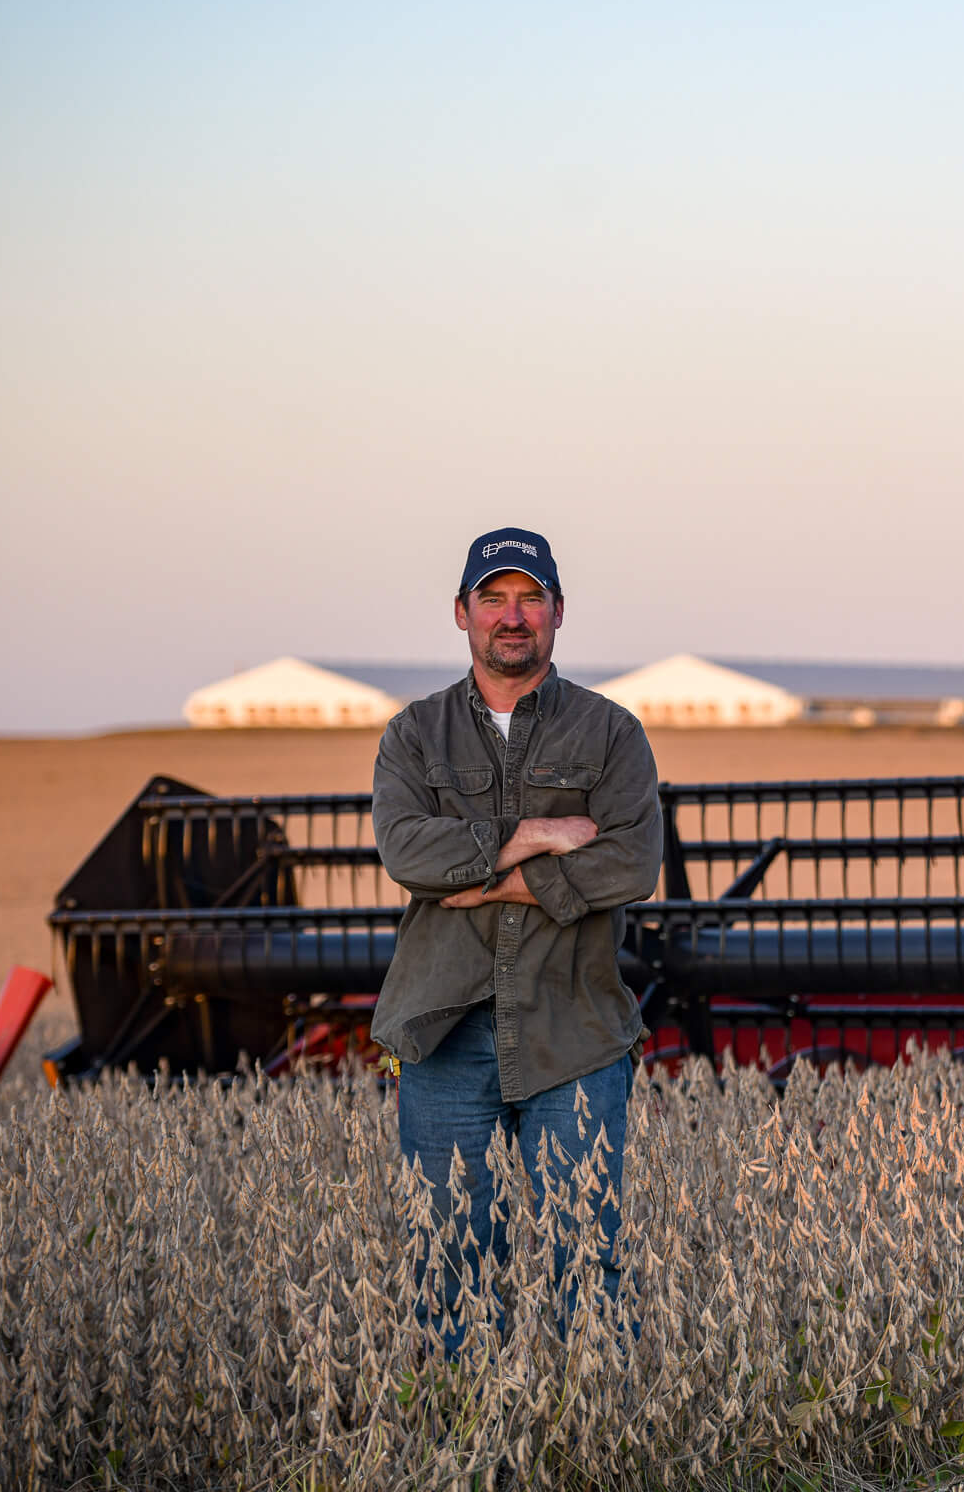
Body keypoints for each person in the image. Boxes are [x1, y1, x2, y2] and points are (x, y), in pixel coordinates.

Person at [370, 526, 663, 1351]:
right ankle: (470, 1452)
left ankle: (597, 1450)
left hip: (572, 1028)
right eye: (493, 598)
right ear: (460, 612)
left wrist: (488, 877)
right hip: (444, 1030)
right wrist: (536, 833)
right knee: (451, 1268)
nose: (512, 616)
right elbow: (406, 854)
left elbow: (632, 863)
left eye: (529, 597)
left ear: (559, 612)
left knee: (587, 1266)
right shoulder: (414, 735)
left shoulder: (611, 734)